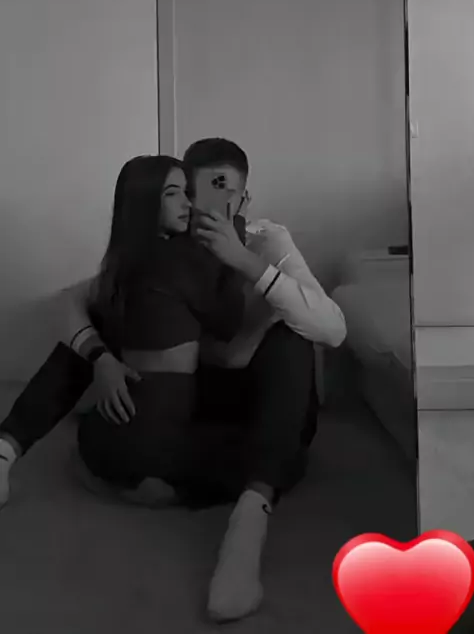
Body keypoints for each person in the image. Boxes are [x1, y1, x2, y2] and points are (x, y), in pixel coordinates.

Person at [0, 138, 347, 622]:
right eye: (199, 190)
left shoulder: (266, 241)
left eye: (230, 191)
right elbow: (74, 301)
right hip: (188, 399)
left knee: (294, 338)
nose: (213, 203)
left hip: (252, 398)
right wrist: (101, 358)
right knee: (99, 324)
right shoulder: (167, 248)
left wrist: (246, 263)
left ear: (245, 199)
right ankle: (5, 449)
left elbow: (333, 329)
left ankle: (249, 524)